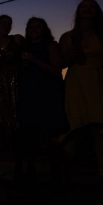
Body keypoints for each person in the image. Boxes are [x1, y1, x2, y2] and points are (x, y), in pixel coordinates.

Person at [59, 0, 103, 184]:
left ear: (97, 11)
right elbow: (61, 64)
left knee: (101, 128)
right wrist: (68, 58)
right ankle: (68, 172)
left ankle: (102, 170)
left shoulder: (102, 34)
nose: (87, 10)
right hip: (75, 83)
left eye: (91, 7)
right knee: (74, 127)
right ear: (78, 12)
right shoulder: (68, 37)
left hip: (97, 81)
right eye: (83, 7)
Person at [18, 17, 67, 182]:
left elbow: (56, 70)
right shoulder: (24, 47)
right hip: (29, 94)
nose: (34, 30)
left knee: (53, 133)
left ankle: (56, 170)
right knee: (30, 133)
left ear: (44, 29)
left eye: (38, 27)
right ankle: (30, 169)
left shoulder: (51, 46)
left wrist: (34, 60)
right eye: (31, 27)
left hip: (49, 93)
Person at [0, 15, 24, 180]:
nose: (6, 26)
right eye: (3, 23)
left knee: (16, 121)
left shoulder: (17, 40)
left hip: (16, 84)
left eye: (9, 24)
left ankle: (19, 163)